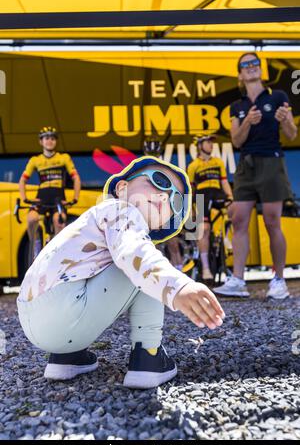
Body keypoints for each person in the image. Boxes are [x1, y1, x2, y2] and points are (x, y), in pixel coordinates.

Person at [17, 156, 225, 389]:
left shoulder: (94, 219)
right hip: (64, 308)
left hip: (32, 316)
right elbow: (134, 253)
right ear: (122, 188)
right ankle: (148, 356)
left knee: (125, 262)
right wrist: (179, 287)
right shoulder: (122, 209)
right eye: (159, 181)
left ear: (162, 224)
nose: (165, 195)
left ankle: (67, 356)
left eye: (175, 202)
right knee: (145, 263)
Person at [214, 52, 297, 299]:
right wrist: (248, 121)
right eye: (245, 65)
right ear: (240, 74)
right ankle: (238, 281)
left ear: (260, 70)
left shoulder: (278, 96)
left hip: (271, 161)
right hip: (246, 166)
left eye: (254, 63)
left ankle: (279, 281)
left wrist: (285, 121)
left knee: (273, 221)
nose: (251, 67)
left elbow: (292, 134)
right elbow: (237, 140)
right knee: (239, 220)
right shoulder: (236, 106)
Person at [19, 127, 81, 243]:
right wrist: (25, 198)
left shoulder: (64, 158)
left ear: (56, 141)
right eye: (46, 138)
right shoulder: (35, 160)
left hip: (58, 197)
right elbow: (22, 180)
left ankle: (55, 248)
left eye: (52, 138)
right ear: (41, 141)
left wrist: (75, 198)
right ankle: (33, 243)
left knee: (59, 221)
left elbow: (76, 178)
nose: (50, 141)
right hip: (41, 197)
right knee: (32, 219)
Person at [187, 135, 233, 280]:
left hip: (217, 194)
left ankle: (226, 240)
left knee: (233, 214)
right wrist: (191, 208)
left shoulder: (218, 162)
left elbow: (224, 182)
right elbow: (191, 189)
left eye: (212, 142)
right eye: (208, 142)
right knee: (203, 229)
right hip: (201, 197)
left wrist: (230, 196)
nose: (211, 145)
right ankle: (206, 269)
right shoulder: (193, 166)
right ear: (200, 146)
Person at [143, 138, 184, 270]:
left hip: (166, 206)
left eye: (155, 155)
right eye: (150, 155)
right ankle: (153, 273)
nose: (153, 158)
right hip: (148, 207)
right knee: (149, 242)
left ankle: (179, 270)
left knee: (172, 240)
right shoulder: (140, 169)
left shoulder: (167, 169)